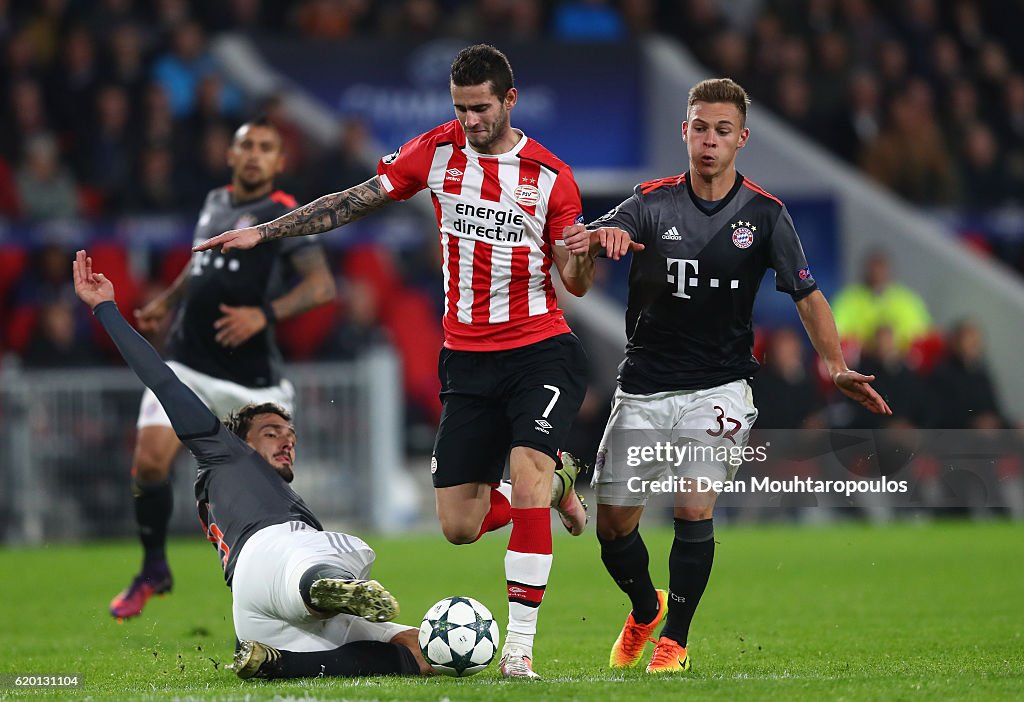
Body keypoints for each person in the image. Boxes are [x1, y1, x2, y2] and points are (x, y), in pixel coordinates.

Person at [194, 44, 638, 678]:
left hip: (540, 348)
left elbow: (577, 283)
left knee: (528, 478)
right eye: (460, 108)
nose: (470, 121)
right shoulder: (435, 152)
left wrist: (581, 252)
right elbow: (352, 201)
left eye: (481, 108)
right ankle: (562, 480)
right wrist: (264, 232)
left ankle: (518, 655)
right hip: (466, 357)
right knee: (460, 524)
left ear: (509, 101)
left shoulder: (550, 177)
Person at [563, 78, 891, 674]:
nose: (709, 140)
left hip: (720, 387)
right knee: (612, 528)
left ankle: (675, 643)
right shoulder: (646, 202)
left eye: (721, 130)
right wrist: (592, 246)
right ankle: (645, 610)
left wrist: (836, 365)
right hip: (643, 385)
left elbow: (808, 295)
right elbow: (577, 277)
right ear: (683, 131)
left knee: (693, 506)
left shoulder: (766, 215)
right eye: (699, 127)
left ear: (741, 138)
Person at [73, 250, 429, 680]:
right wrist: (107, 310)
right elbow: (163, 380)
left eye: (291, 435)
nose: (287, 439)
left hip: (253, 611)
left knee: (410, 649)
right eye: (272, 431)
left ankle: (281, 662)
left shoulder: (227, 485)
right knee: (344, 547)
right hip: (278, 559)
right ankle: (322, 584)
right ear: (240, 438)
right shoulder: (222, 450)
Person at [110, 117, 337, 620]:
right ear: (232, 156)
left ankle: (292, 583)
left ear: (279, 162)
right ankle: (152, 568)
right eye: (247, 146)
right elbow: (200, 266)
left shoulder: (284, 214)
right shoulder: (214, 201)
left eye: (266, 148)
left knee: (266, 491)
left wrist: (265, 314)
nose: (255, 155)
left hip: (251, 382)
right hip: (190, 361)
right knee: (149, 462)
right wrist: (168, 301)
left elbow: (322, 287)